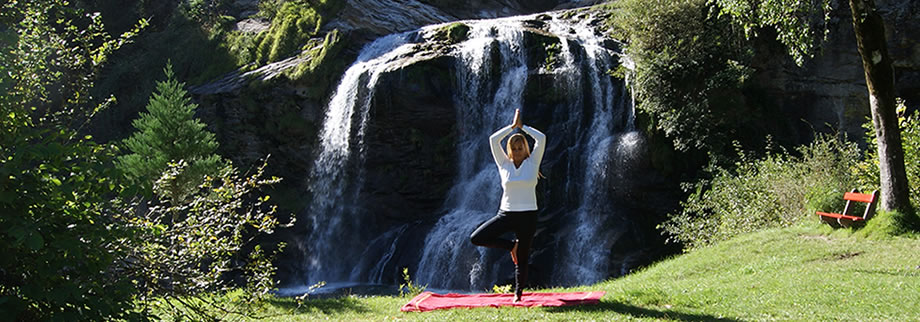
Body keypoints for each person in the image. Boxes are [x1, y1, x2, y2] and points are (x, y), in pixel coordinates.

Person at [470, 108, 545, 302]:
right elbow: (494, 140)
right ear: (510, 150)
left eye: (521, 148)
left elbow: (542, 138)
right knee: (477, 237)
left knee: (523, 259)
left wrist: (523, 128)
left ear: (525, 149)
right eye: (515, 148)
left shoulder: (533, 163)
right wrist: (512, 127)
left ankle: (518, 295)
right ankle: (511, 245)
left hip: (528, 215)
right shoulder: (504, 164)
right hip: (507, 214)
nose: (518, 151)